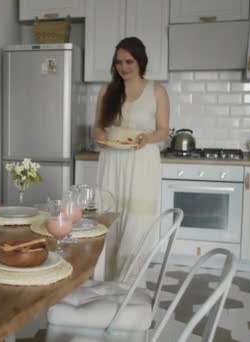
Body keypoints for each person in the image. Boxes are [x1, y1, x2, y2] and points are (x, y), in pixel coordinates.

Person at [92, 37, 170, 282]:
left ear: (140, 62)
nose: (123, 68)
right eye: (118, 63)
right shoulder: (107, 90)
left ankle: (130, 286)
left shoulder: (157, 91)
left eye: (129, 62)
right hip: (112, 161)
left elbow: (163, 130)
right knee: (109, 219)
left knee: (136, 222)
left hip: (142, 161)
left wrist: (147, 139)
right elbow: (97, 128)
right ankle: (103, 282)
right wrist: (101, 137)